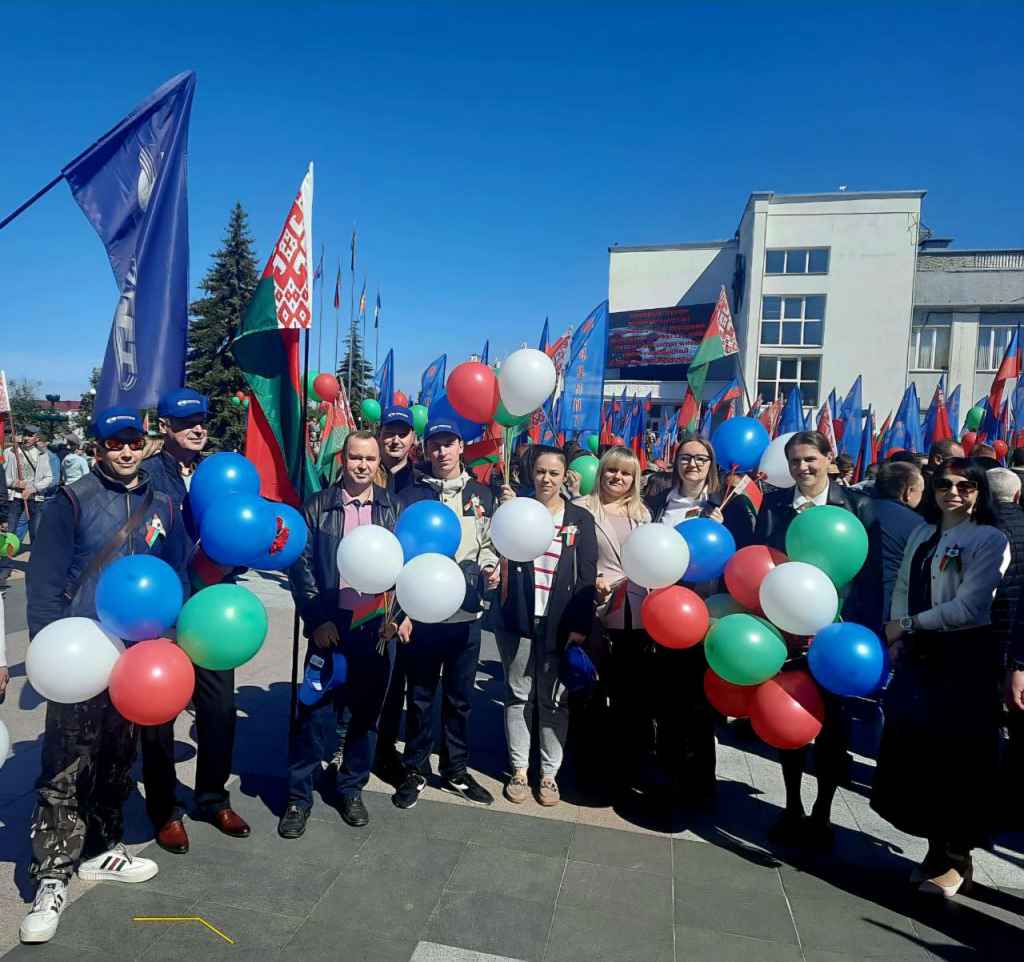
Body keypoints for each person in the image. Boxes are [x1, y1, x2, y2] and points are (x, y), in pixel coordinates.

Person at [19, 407, 189, 944]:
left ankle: (101, 847)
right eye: (114, 443)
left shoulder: (163, 502)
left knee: (118, 757)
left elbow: (176, 570)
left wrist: (171, 636)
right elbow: (44, 582)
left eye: (133, 441)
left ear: (145, 444)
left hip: (136, 657)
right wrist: (48, 650)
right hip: (80, 650)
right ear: (98, 449)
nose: (125, 450)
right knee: (66, 763)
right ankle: (51, 874)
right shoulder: (71, 501)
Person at [875, 459, 1009, 897]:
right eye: (944, 484)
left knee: (959, 758)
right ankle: (934, 848)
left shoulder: (988, 538)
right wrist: (897, 629)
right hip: (922, 656)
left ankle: (957, 857)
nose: (953, 492)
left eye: (965, 485)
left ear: (978, 492)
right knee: (920, 753)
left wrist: (908, 624)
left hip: (965, 658)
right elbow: (900, 585)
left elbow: (970, 606)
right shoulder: (922, 532)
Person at [753, 431, 879, 846]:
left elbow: (872, 578)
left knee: (833, 731)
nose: (802, 468)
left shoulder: (859, 507)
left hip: (837, 637)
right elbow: (762, 564)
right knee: (788, 717)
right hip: (786, 632)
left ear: (829, 458)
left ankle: (823, 813)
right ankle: (791, 807)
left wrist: (865, 629)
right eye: (794, 462)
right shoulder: (773, 507)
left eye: (810, 459)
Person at [139, 388, 251, 855]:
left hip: (211, 612)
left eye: (202, 420)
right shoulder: (148, 476)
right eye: (186, 422)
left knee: (220, 710)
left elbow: (235, 534)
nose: (198, 428)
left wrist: (239, 554)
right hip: (161, 613)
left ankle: (211, 797)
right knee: (160, 713)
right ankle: (165, 810)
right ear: (165, 427)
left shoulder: (219, 473)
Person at [280, 431, 404, 837]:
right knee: (314, 717)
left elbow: (407, 570)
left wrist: (398, 615)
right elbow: (302, 569)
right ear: (343, 460)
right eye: (355, 457)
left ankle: (351, 788)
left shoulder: (392, 508)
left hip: (374, 629)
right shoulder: (317, 507)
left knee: (365, 718)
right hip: (329, 628)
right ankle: (298, 798)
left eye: (370, 458)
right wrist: (317, 622)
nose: (362, 465)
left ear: (378, 463)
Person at [391, 418, 499, 810]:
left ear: (460, 447)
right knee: (419, 698)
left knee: (460, 699)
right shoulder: (410, 495)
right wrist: (401, 611)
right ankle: (415, 769)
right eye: (434, 445)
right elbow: (398, 555)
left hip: (466, 618)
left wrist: (491, 565)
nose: (441, 452)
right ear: (427, 449)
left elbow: (490, 543)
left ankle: (456, 770)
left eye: (448, 444)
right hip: (422, 617)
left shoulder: (482, 494)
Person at [644, 434, 751, 806]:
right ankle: (669, 775)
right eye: (686, 457)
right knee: (666, 702)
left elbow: (742, 562)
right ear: (675, 462)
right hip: (663, 615)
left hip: (708, 616)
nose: (693, 464)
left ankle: (702, 782)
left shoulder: (729, 506)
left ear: (712, 464)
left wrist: (722, 530)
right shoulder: (658, 503)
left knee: (700, 705)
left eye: (701, 458)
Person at [486, 446, 597, 805]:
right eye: (540, 472)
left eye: (554, 473)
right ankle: (519, 769)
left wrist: (580, 625)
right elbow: (496, 549)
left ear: (565, 476)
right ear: (530, 474)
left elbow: (587, 577)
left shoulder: (579, 519)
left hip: (561, 622)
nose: (546, 479)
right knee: (518, 695)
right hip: (517, 619)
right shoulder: (516, 513)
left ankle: (549, 775)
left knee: (553, 700)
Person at [574, 446, 653, 796]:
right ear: (601, 472)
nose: (617, 478)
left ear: (634, 479)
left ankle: (627, 766)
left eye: (626, 474)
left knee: (630, 696)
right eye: (612, 471)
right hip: (596, 610)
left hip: (637, 615)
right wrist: (591, 587)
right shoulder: (580, 510)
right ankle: (588, 765)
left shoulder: (644, 515)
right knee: (591, 691)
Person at [870, 462, 926, 621]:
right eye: (921, 491)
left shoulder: (856, 510)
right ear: (909, 492)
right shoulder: (919, 526)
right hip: (893, 608)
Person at [5, 426, 55, 545]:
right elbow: (3, 476)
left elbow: (49, 478)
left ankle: (35, 561)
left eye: (30, 435)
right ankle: (5, 561)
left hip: (35, 498)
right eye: (25, 434)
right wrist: (14, 483)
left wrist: (34, 488)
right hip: (15, 498)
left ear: (36, 438)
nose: (26, 438)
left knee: (35, 531)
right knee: (10, 531)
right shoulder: (11, 452)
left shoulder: (42, 455)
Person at [376, 405, 418, 495]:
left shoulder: (422, 483)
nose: (395, 441)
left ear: (413, 438)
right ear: (379, 434)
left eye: (402, 434)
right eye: (390, 433)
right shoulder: (363, 476)